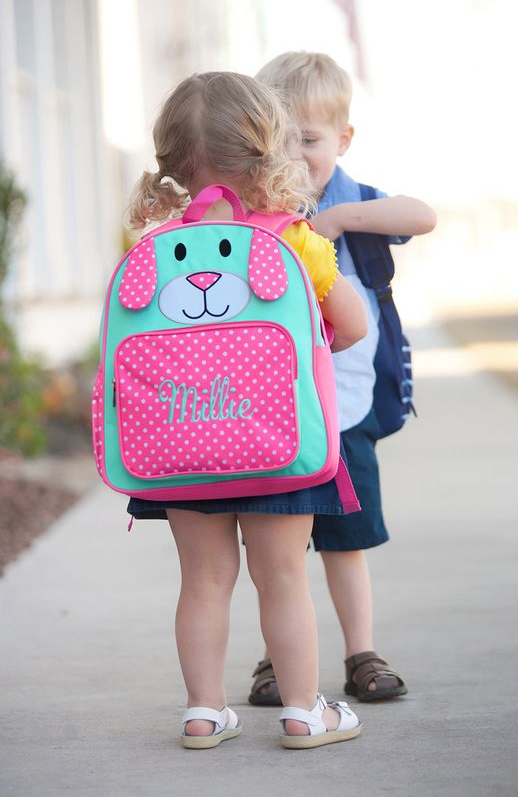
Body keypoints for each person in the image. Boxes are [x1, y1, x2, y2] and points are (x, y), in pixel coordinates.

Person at [125, 71, 368, 749]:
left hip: (182, 444)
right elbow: (352, 327)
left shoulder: (154, 247)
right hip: (279, 444)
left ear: (172, 161)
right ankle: (302, 711)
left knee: (202, 580)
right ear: (270, 149)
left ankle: (203, 712)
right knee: (283, 578)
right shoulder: (293, 238)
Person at [249, 52, 436, 706]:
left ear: (343, 139)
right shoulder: (259, 210)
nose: (295, 157)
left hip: (346, 406)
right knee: (278, 551)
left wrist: (337, 220)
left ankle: (362, 652)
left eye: (309, 139)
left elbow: (422, 215)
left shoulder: (355, 202)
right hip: (278, 413)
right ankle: (276, 660)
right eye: (280, 140)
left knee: (346, 542)